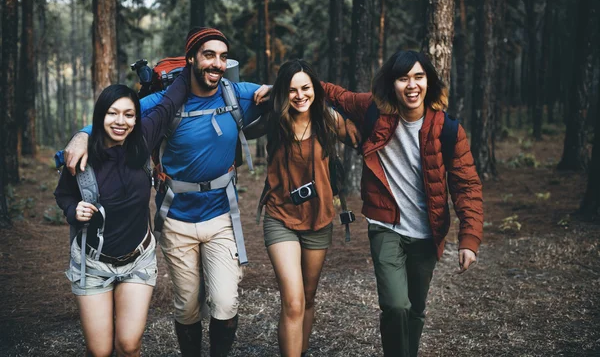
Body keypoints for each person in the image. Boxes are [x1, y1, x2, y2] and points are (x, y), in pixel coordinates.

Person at [60, 27, 270, 357]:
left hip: (221, 217)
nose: (217, 63)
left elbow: (295, 94)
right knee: (186, 307)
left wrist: (276, 88)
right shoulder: (164, 100)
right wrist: (82, 135)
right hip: (176, 218)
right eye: (208, 55)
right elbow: (120, 115)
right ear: (191, 60)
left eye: (222, 56)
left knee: (226, 303)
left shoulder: (237, 94)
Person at [317, 50, 483, 356]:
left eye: (419, 77)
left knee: (416, 309)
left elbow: (466, 185)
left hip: (427, 231)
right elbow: (334, 94)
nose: (411, 85)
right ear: (391, 84)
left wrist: (469, 239)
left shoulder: (448, 130)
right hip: (386, 226)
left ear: (429, 83)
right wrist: (289, 84)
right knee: (396, 305)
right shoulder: (374, 110)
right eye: (403, 78)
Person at [54, 76, 188, 356]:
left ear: (137, 119)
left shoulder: (142, 141)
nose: (121, 121)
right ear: (99, 116)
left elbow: (168, 104)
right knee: (100, 351)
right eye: (112, 113)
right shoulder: (81, 156)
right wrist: (72, 211)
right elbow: (64, 194)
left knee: (129, 345)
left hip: (137, 260)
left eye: (129, 114)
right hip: (92, 264)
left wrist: (192, 65)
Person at [258, 60, 350, 357]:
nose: (300, 95)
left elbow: (365, 138)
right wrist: (267, 90)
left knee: (308, 297)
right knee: (294, 300)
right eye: (292, 89)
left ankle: (302, 348)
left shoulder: (328, 120)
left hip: (319, 218)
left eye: (306, 88)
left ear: (315, 89)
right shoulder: (274, 118)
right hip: (280, 217)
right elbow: (237, 115)